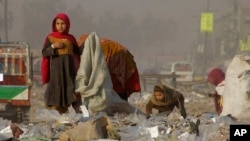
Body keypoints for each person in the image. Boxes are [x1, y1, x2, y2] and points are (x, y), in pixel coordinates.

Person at [77, 34, 141, 101]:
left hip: (123, 69)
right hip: (119, 68)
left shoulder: (98, 48)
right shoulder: (98, 45)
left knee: (118, 95)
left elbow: (99, 71)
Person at [41, 12, 82, 114]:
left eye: (63, 23)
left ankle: (68, 117)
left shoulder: (71, 39)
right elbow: (44, 52)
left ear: (67, 24)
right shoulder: (50, 38)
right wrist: (53, 47)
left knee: (70, 95)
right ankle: (58, 117)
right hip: (56, 74)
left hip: (69, 73)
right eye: (58, 23)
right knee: (56, 95)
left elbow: (79, 52)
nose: (60, 26)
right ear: (54, 25)